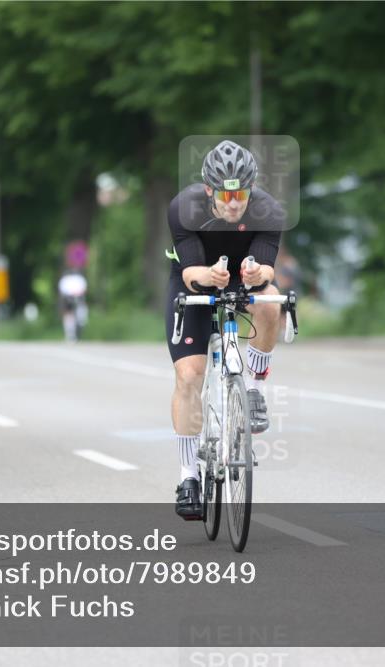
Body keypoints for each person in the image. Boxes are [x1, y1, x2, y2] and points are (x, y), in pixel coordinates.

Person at [165, 140, 286, 520]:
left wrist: (257, 272)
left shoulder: (268, 210)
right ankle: (188, 476)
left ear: (252, 189)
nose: (234, 204)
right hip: (195, 280)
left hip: (243, 278)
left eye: (241, 194)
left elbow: (267, 271)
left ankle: (255, 390)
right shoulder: (184, 208)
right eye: (226, 195)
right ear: (209, 190)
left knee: (271, 300)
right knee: (189, 376)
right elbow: (190, 272)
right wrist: (209, 276)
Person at [58, 270, 89, 342]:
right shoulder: (67, 279)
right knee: (69, 315)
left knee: (80, 314)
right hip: (68, 298)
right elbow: (63, 291)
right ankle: (70, 334)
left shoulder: (78, 279)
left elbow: (84, 290)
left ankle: (76, 330)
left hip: (78, 298)